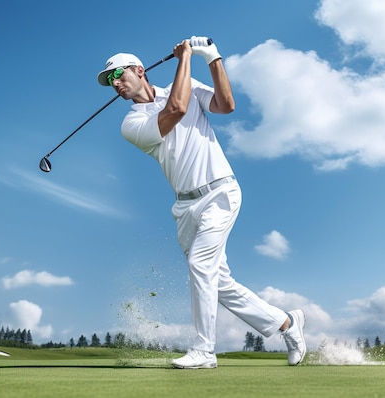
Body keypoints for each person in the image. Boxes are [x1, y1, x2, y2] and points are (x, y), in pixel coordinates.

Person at [97, 36, 306, 369]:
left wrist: (213, 58)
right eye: (110, 81)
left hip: (219, 193)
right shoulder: (131, 124)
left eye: (119, 75)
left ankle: (204, 351)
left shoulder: (187, 85)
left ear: (140, 70)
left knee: (200, 265)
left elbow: (226, 105)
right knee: (219, 283)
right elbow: (176, 110)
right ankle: (285, 324)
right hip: (185, 208)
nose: (116, 83)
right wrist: (185, 58)